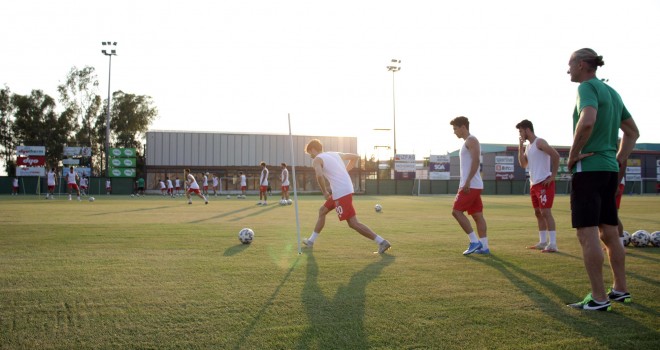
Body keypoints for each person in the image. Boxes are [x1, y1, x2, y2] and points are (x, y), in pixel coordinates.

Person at [565, 48, 639, 311]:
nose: (568, 70)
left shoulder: (587, 88)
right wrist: (619, 159)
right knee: (609, 232)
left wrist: (572, 156)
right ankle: (620, 289)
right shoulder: (613, 92)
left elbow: (587, 121)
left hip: (589, 169)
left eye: (570, 65)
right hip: (608, 171)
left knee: (587, 235)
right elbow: (632, 132)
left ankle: (598, 299)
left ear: (583, 65)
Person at [301, 139, 391, 254]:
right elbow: (355, 157)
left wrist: (324, 192)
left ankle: (382, 242)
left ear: (313, 149)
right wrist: (344, 170)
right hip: (342, 190)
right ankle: (311, 241)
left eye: (310, 153)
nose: (311, 156)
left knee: (353, 223)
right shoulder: (334, 154)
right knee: (322, 211)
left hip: (341, 192)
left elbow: (319, 176)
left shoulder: (317, 160)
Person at [516, 119, 560, 253]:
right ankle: (542, 242)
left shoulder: (540, 142)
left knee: (546, 212)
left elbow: (556, 156)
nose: (520, 134)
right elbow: (523, 164)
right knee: (538, 213)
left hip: (544, 182)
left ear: (527, 130)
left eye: (521, 131)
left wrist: (552, 176)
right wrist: (520, 145)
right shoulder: (529, 147)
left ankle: (553, 244)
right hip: (533, 184)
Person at [449, 116, 490, 255]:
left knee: (456, 211)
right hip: (473, 184)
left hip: (470, 185)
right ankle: (484, 247)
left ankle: (474, 241)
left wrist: (467, 181)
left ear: (463, 127)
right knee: (478, 215)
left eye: (455, 129)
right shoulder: (467, 141)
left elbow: (476, 161)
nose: (454, 132)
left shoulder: (471, 140)